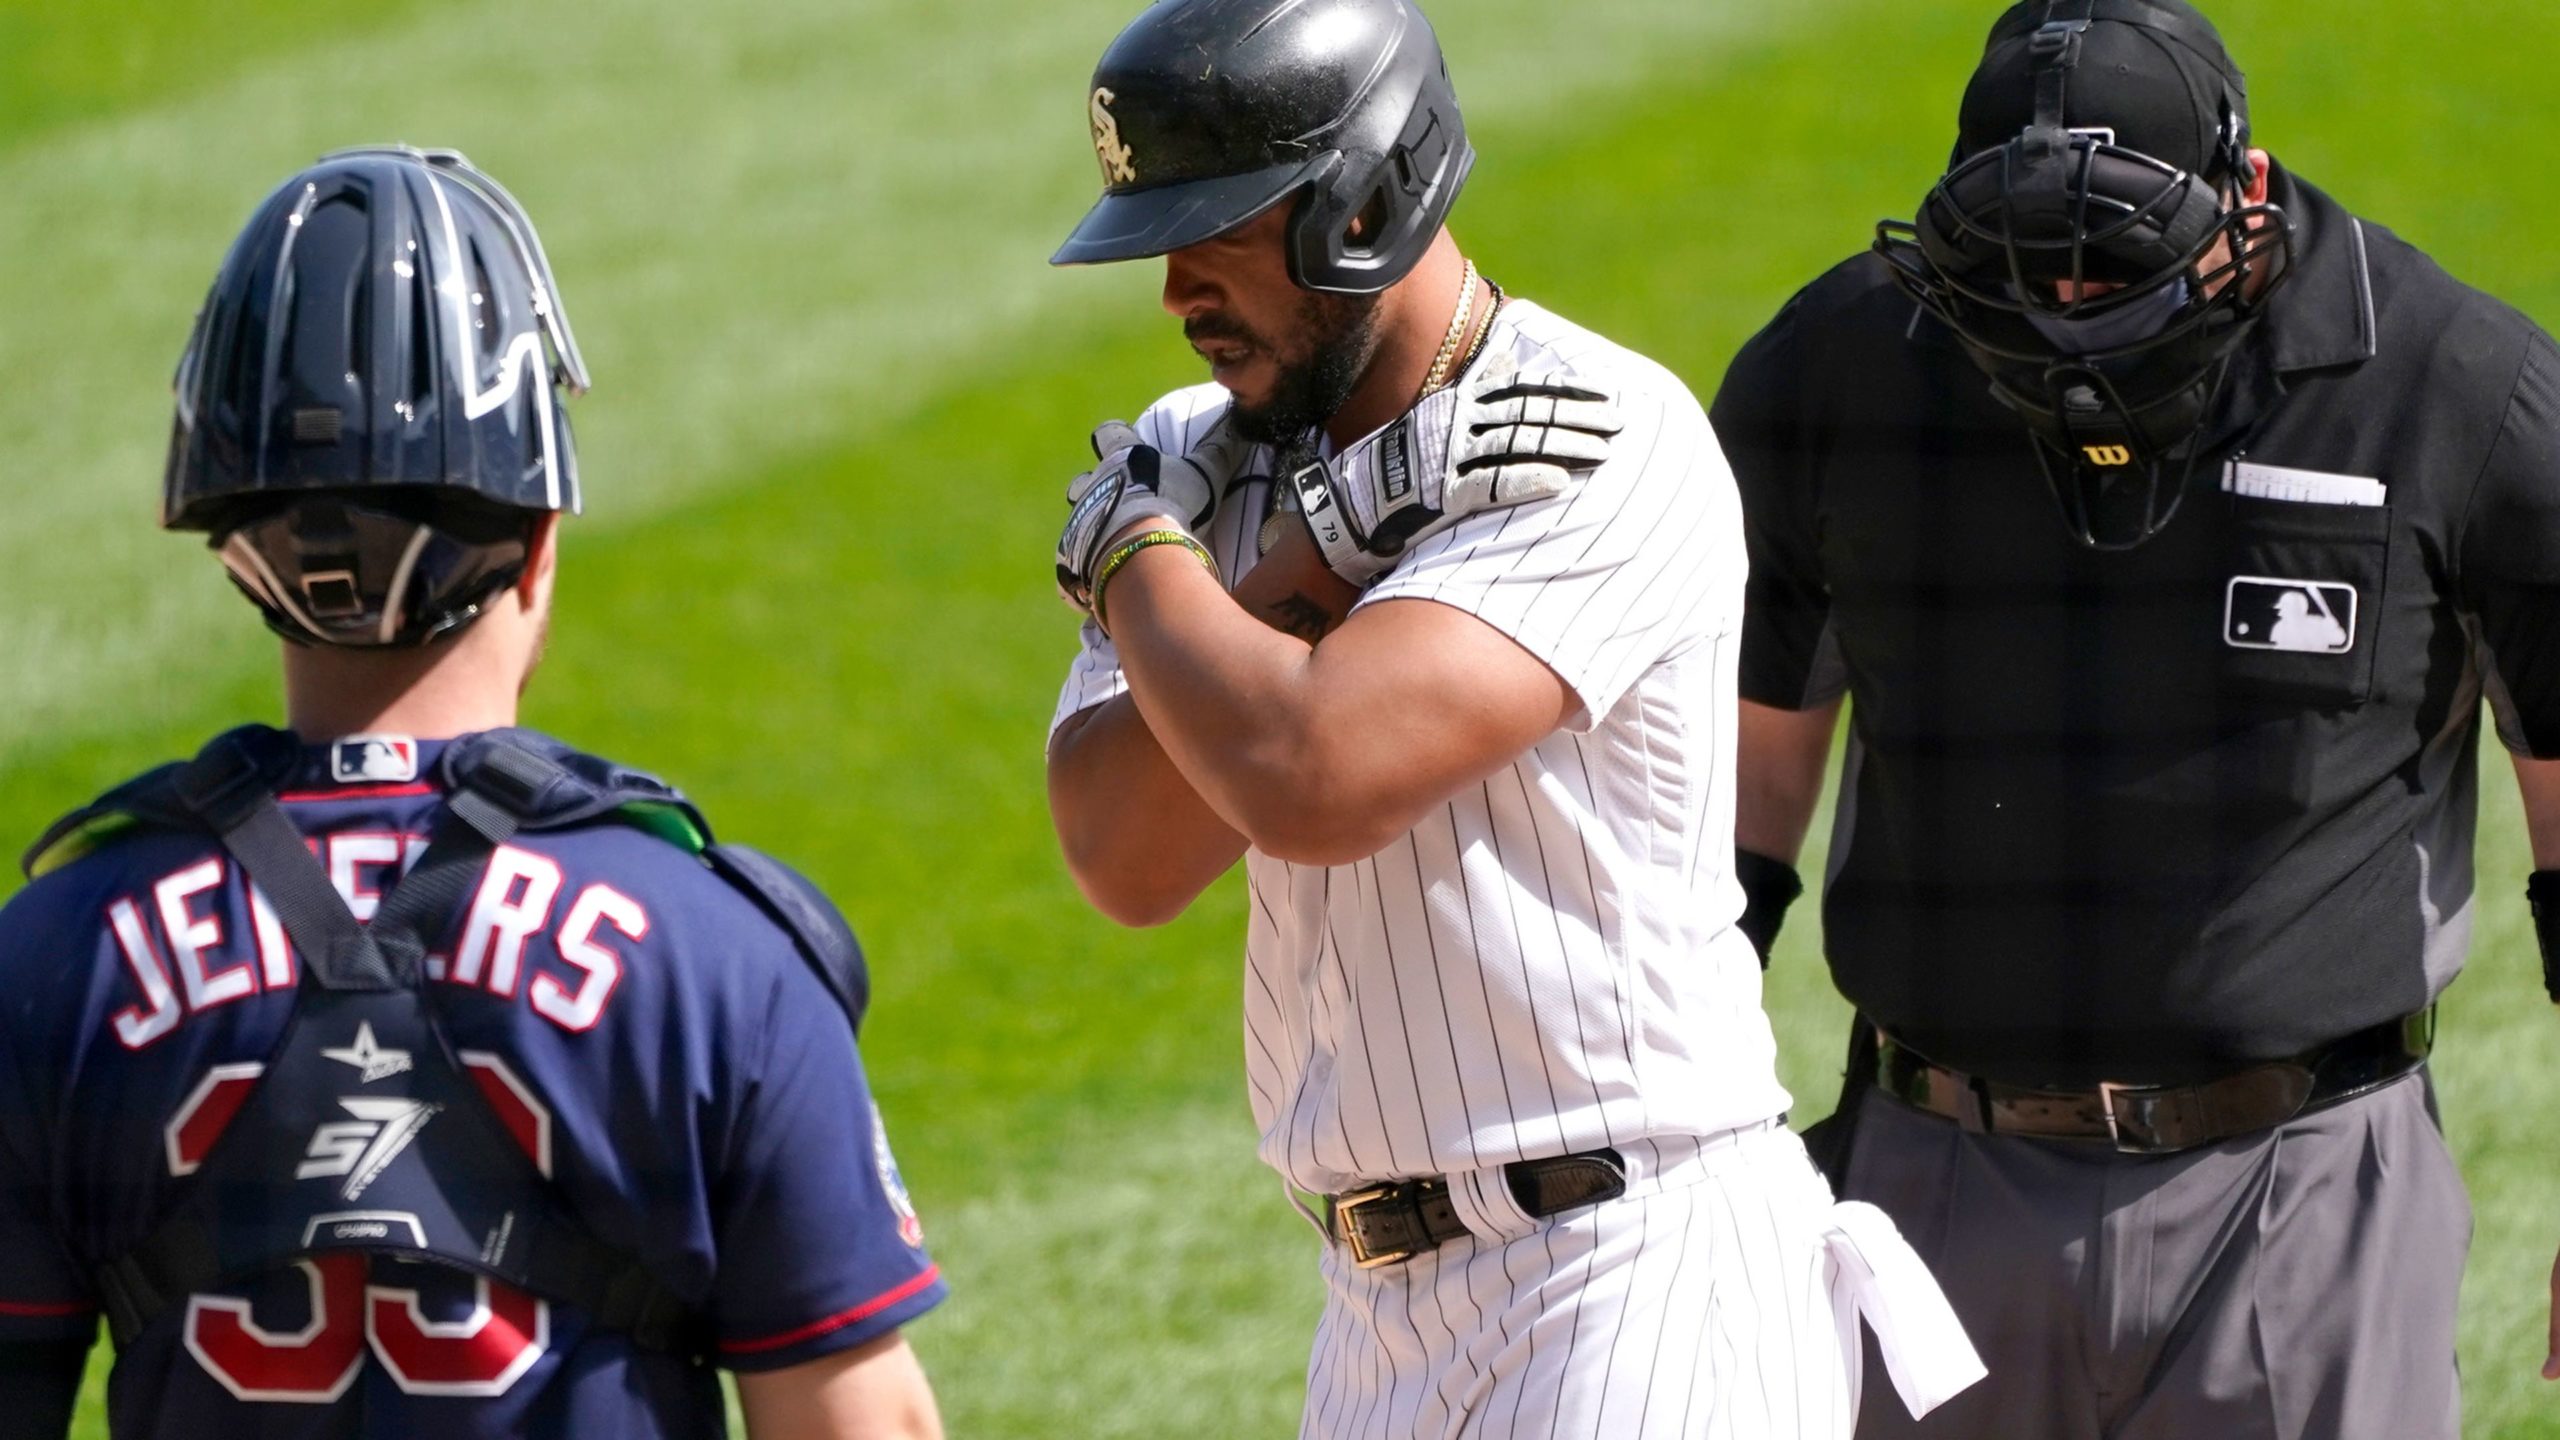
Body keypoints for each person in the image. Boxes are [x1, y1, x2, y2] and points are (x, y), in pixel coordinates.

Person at [1043, 2, 1982, 1435]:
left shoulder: (1597, 430)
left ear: (1357, 204)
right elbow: (1126, 854)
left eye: (1212, 229)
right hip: (1376, 1322)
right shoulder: (1192, 460)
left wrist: (1138, 563)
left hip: (1634, 1275)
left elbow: (1309, 773)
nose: (1175, 288)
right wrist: (1292, 553)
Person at [0, 147, 946, 1440]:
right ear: (542, 539)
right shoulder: (718, 958)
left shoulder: (53, 957)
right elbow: (855, 1425)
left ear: (233, 548)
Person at [1714, 0, 2560, 1434]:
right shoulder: (1837, 372)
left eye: (2113, 271)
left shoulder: (2458, 394)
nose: (2068, 319)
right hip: (1929, 1184)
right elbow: (1717, 828)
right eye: (2027, 277)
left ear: (2248, 193)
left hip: (2303, 1198)